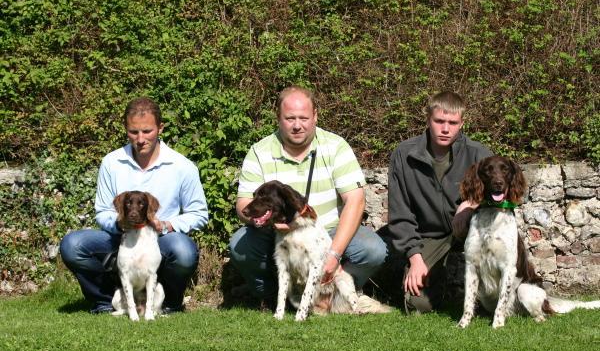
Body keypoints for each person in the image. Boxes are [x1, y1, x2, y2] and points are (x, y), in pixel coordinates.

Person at [229, 86, 387, 305]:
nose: (297, 125)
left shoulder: (336, 146)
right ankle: (275, 298)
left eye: (303, 118)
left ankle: (335, 294)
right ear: (278, 118)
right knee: (240, 245)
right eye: (290, 118)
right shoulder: (259, 151)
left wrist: (333, 254)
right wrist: (271, 222)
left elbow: (356, 201)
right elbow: (243, 205)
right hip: (277, 233)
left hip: (327, 231)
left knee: (373, 250)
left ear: (315, 116)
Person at [60, 97, 209, 314]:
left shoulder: (182, 166)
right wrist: (119, 224)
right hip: (120, 238)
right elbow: (102, 211)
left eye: (147, 131)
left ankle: (168, 303)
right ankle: (106, 301)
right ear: (125, 129)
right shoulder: (111, 162)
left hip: (160, 240)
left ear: (160, 128)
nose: (140, 139)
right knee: (72, 245)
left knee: (183, 251)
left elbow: (199, 213)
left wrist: (166, 225)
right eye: (133, 132)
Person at [387, 91, 493, 314]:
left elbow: (502, 194)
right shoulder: (404, 155)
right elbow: (400, 213)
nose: (445, 129)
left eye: (452, 123)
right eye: (439, 121)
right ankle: (441, 286)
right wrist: (415, 258)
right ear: (428, 119)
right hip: (430, 235)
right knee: (417, 304)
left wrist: (472, 205)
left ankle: (500, 291)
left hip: (470, 229)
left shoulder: (478, 154)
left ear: (462, 123)